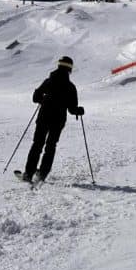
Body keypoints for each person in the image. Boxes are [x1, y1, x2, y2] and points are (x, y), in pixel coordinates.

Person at [23, 56, 84, 184]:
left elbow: (35, 97)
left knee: (37, 144)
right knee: (50, 146)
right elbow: (72, 109)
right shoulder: (70, 87)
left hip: (43, 117)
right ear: (70, 69)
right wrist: (79, 110)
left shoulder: (48, 81)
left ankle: (28, 173)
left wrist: (43, 99)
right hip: (58, 120)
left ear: (58, 66)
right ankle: (43, 174)